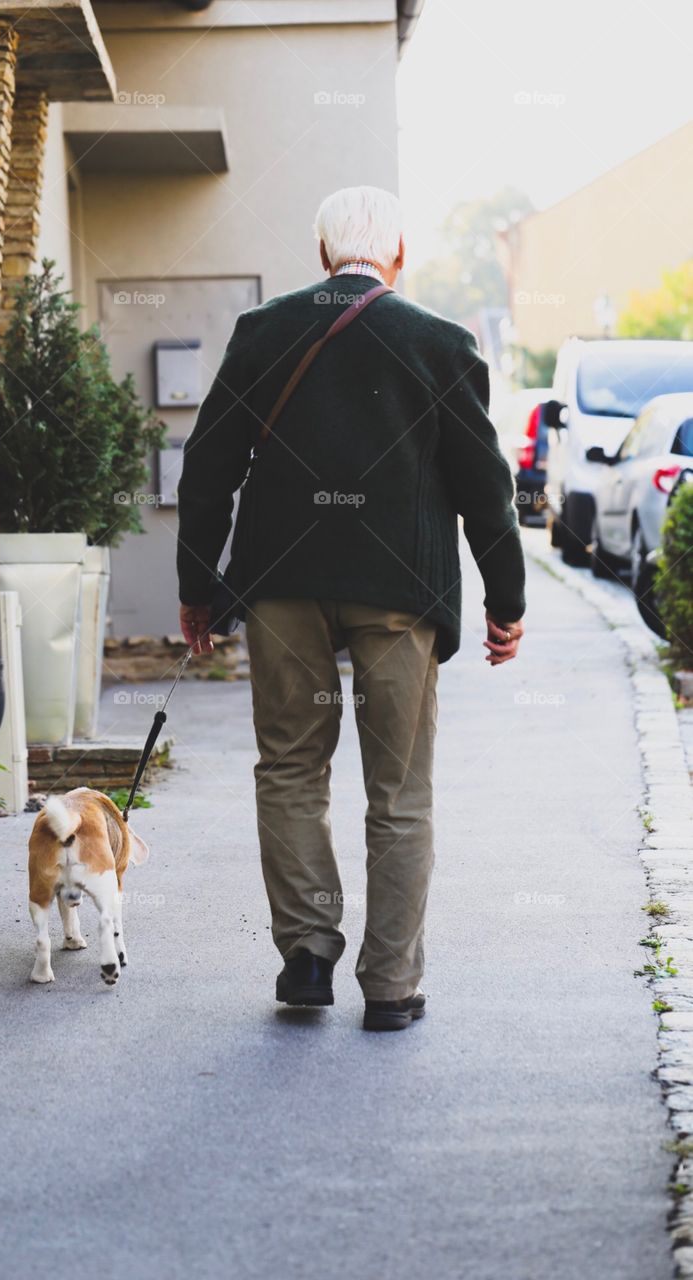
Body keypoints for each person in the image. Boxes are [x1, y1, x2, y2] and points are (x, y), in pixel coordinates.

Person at [176, 185, 525, 1031]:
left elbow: (208, 463)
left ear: (323, 254)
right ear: (397, 255)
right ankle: (391, 985)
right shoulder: (439, 344)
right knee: (398, 791)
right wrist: (504, 601)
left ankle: (305, 953)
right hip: (399, 593)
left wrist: (196, 590)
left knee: (290, 767)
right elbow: (487, 487)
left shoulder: (264, 333)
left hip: (281, 586)